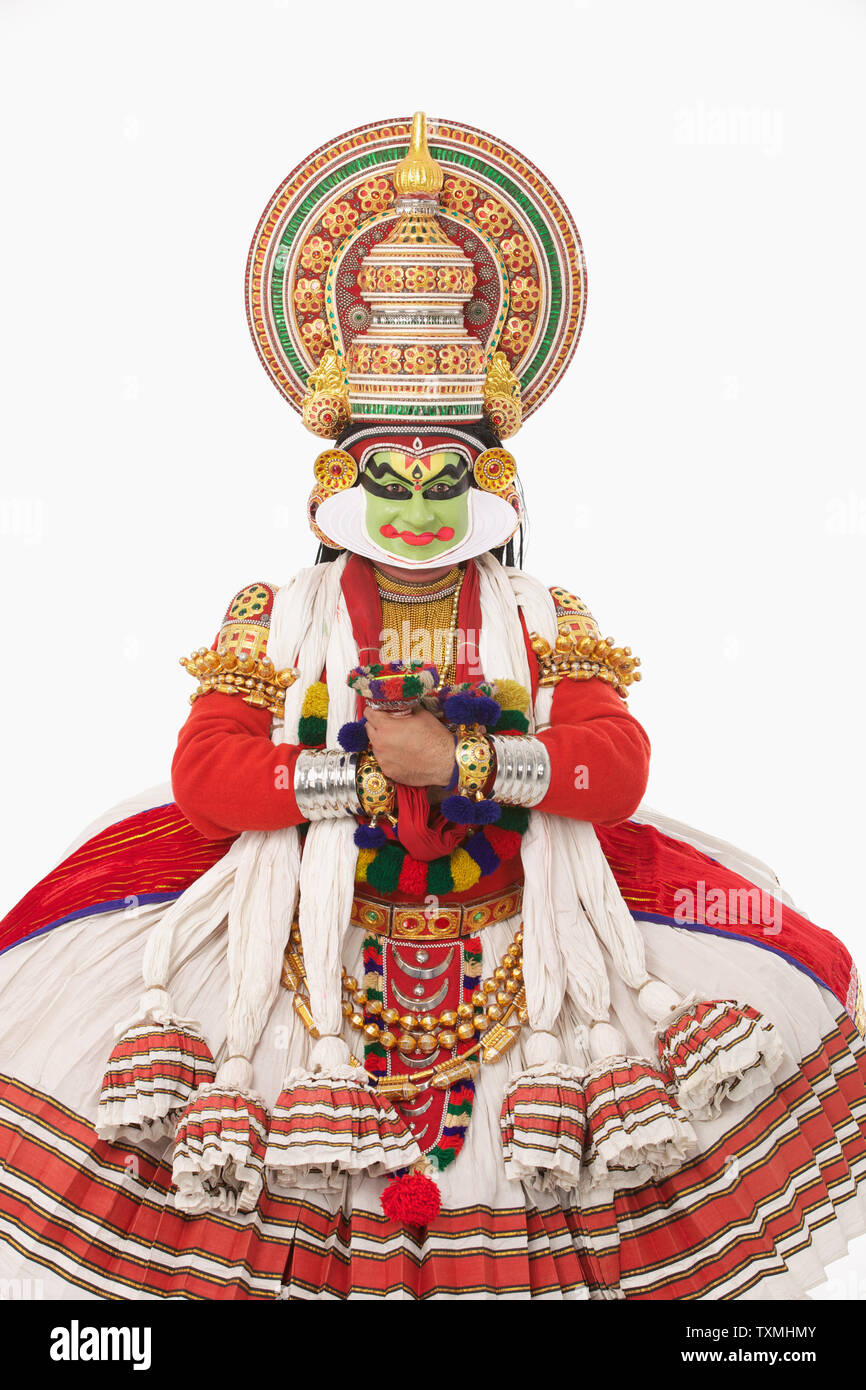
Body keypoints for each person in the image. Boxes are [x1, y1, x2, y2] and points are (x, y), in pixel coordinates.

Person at [1, 113, 863, 1301]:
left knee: (755, 985)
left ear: (489, 478)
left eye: (442, 474)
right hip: (309, 938)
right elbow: (207, 773)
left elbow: (612, 766)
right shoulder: (275, 611)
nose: (413, 505)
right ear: (336, 479)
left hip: (533, 941)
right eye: (385, 476)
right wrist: (361, 776)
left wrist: (462, 760)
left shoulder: (547, 613)